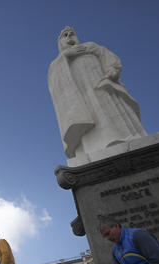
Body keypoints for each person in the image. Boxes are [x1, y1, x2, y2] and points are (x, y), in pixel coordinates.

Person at [48, 26, 147, 163]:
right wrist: (66, 56)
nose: (69, 36)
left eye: (72, 34)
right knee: (92, 114)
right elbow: (54, 80)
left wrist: (112, 70)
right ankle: (95, 146)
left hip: (101, 84)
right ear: (60, 43)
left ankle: (124, 137)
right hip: (81, 94)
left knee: (110, 108)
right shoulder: (58, 62)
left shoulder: (90, 46)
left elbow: (109, 58)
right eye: (65, 35)